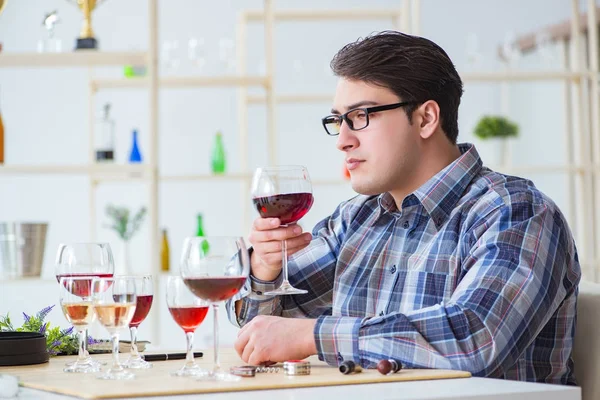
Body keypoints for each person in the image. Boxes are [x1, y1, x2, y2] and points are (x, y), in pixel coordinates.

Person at [228, 31, 581, 384]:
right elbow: (262, 324)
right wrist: (265, 269)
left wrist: (311, 336)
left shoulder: (515, 213)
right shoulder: (357, 219)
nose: (343, 140)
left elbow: (475, 341)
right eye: (338, 121)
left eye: (361, 116)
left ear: (426, 118)